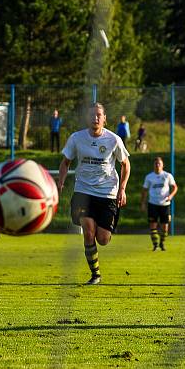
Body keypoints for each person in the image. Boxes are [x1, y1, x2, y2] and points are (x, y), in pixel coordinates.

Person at [58, 103, 130, 285]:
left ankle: (105, 229)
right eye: (92, 115)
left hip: (107, 194)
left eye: (99, 115)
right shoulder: (76, 138)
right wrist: (60, 182)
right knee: (88, 232)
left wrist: (122, 189)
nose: (95, 118)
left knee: (103, 239)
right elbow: (65, 162)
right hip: (83, 192)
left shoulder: (114, 140)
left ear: (105, 118)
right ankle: (95, 274)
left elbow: (126, 165)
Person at [140, 156, 178, 251]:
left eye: (159, 164)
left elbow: (175, 187)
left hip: (165, 205)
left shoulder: (167, 176)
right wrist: (143, 203)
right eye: (156, 163)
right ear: (153, 165)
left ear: (162, 165)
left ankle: (162, 243)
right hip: (153, 204)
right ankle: (155, 245)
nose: (157, 165)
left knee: (165, 227)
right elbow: (144, 191)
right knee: (153, 225)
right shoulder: (149, 177)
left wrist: (170, 196)